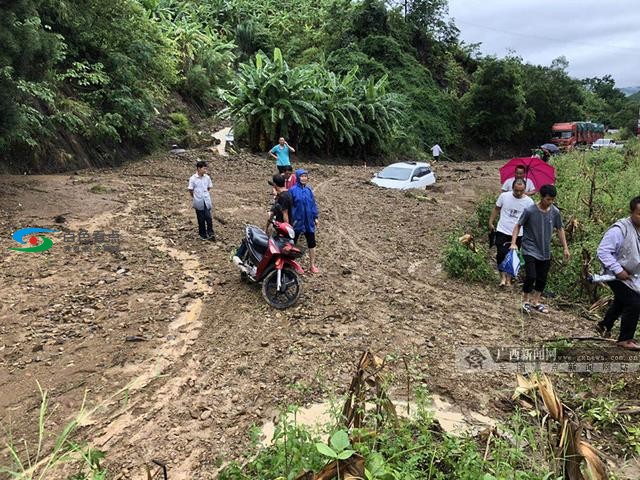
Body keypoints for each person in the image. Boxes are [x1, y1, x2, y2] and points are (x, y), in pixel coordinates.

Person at [510, 184, 570, 314]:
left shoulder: (555, 212)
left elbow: (560, 229)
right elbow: (518, 225)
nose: (550, 202)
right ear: (541, 197)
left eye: (552, 199)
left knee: (542, 278)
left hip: (545, 250)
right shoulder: (530, 210)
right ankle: (525, 300)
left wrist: (565, 248)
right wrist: (514, 242)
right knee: (531, 276)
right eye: (548, 199)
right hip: (529, 248)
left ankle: (536, 301)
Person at [594, 196, 640, 350]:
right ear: (631, 212)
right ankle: (625, 339)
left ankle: (604, 325)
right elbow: (603, 251)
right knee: (634, 302)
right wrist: (618, 269)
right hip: (613, 274)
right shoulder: (620, 229)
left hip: (633, 275)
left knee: (622, 300)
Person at [488, 179, 534, 287]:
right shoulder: (504, 196)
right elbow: (496, 209)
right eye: (516, 190)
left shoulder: (529, 202)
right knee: (501, 254)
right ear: (512, 188)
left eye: (521, 191)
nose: (518, 193)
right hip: (503, 229)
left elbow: (530, 218)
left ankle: (509, 278)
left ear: (524, 189)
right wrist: (491, 222)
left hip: (519, 233)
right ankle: (502, 277)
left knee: (513, 256)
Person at [290, 168, 319, 273]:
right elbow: (289, 206)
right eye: (302, 176)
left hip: (308, 221)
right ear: (298, 177)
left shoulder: (309, 190)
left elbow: (313, 204)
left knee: (312, 243)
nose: (304, 178)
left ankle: (312, 265)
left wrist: (315, 217)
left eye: (305, 176)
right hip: (297, 221)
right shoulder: (292, 190)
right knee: (292, 243)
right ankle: (292, 264)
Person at [188, 160, 214, 241]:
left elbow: (209, 187)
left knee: (209, 218)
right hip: (198, 201)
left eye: (206, 169)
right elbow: (191, 190)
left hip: (206, 200)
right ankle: (202, 234)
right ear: (198, 168)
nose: (205, 170)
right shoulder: (193, 178)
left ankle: (210, 233)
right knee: (201, 219)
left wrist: (204, 194)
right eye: (204, 168)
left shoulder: (207, 177)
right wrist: (195, 196)